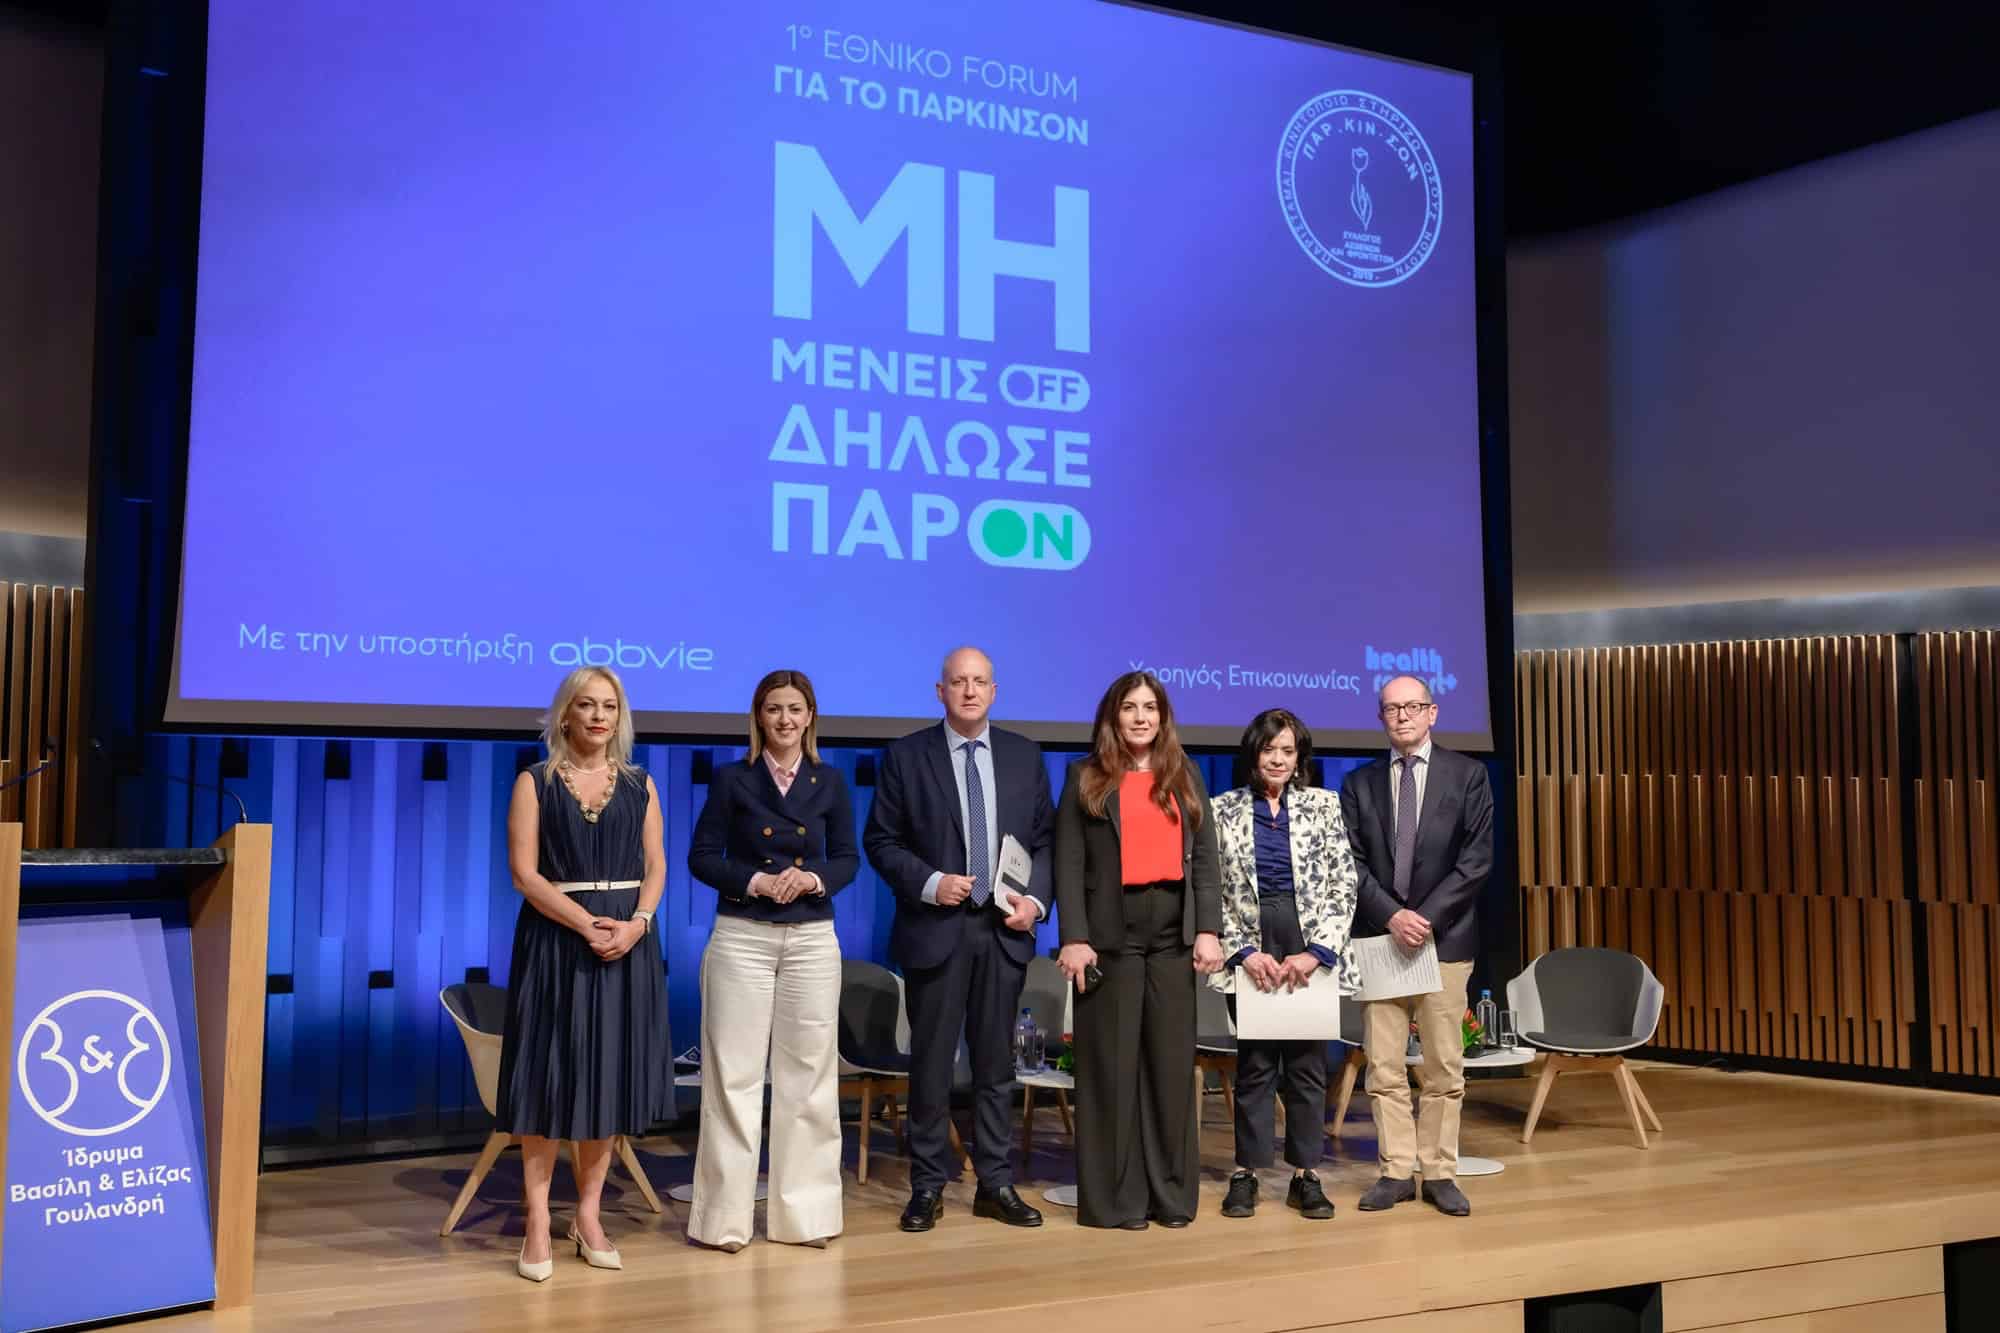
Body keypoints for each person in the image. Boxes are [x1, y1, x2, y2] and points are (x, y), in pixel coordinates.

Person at [864, 647, 1056, 1233]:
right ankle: (927, 1186)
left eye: (979, 682)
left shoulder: (1025, 756)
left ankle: (995, 1183)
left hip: (1002, 932)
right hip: (936, 930)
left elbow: (1044, 843)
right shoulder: (906, 756)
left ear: (994, 691)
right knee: (931, 1067)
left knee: (996, 1066)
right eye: (958, 682)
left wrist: (1035, 902)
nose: (969, 691)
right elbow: (881, 841)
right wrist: (930, 883)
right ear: (940, 691)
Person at [495, 666, 671, 1281]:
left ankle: (589, 1216)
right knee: (548, 1079)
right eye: (587, 705)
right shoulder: (534, 782)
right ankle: (538, 1220)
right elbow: (525, 874)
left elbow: (656, 866)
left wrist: (638, 924)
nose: (599, 716)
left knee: (606, 1080)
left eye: (610, 706)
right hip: (556, 942)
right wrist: (584, 923)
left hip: (626, 942)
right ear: (565, 714)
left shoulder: (642, 784)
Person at [687, 669, 859, 1251]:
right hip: (742, 936)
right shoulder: (732, 778)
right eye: (773, 709)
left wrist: (811, 878)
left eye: (794, 709)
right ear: (759, 717)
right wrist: (755, 881)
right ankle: (723, 1222)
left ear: (810, 717)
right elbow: (702, 857)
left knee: (808, 1081)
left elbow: (847, 858)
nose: (784, 719)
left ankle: (805, 1218)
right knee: (732, 1078)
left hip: (812, 939)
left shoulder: (830, 781)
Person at [1054, 671, 1224, 1229]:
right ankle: (1118, 1203)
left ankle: (1169, 1197)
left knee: (1170, 1071)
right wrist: (1074, 937)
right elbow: (1069, 862)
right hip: (1110, 942)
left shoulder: (1185, 774)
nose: (1141, 717)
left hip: (1172, 940)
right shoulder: (1085, 776)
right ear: (1113, 715)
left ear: (1163, 716)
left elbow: (1206, 859)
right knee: (1113, 1071)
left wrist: (1208, 929)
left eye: (1150, 707)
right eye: (1130, 707)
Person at [1339, 674, 1494, 1218]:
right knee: (1383, 1068)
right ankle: (1396, 1171)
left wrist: (1423, 918)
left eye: (1412, 706)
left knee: (1443, 1068)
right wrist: (1392, 915)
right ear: (1380, 717)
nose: (1402, 716)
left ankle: (1440, 1173)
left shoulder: (1468, 775)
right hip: (1381, 940)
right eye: (1391, 708)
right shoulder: (1358, 784)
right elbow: (1350, 863)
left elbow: (1476, 860)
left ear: (1433, 713)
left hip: (1443, 939)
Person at [1208, 709, 1359, 1220]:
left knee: (1306, 1067)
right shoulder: (1222, 809)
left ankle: (1305, 1176)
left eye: (1287, 750)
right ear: (1253, 754)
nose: (1277, 759)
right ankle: (1246, 1173)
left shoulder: (1323, 804)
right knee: (1254, 1066)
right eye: (1269, 749)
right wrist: (1242, 952)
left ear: (1299, 758)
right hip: (1250, 946)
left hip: (1307, 943)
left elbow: (1344, 882)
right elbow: (1211, 889)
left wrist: (1317, 952)